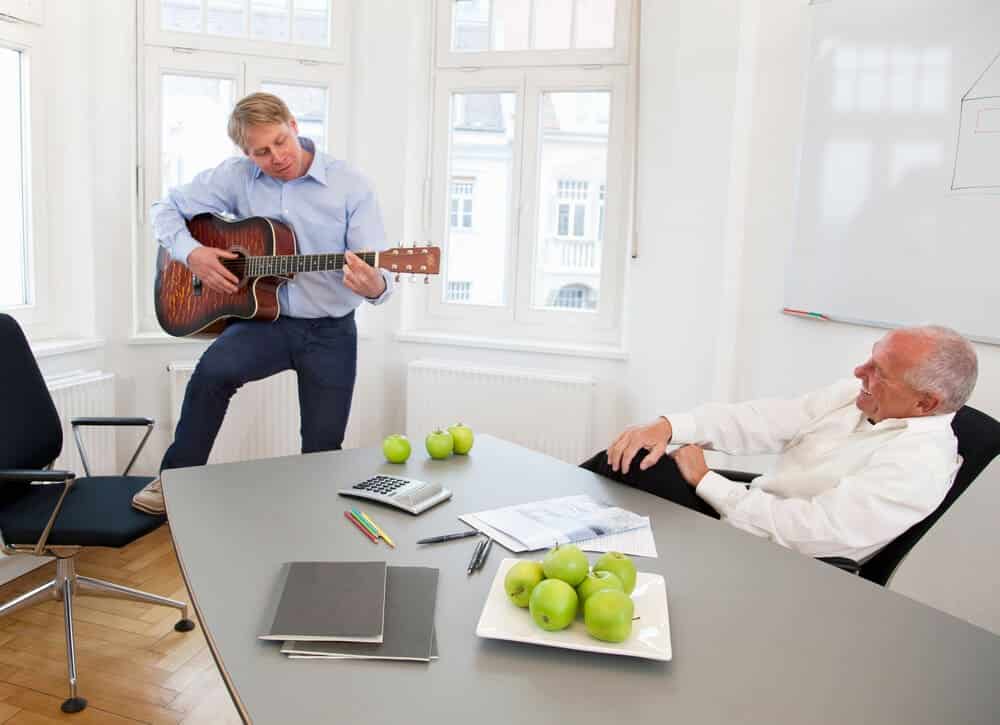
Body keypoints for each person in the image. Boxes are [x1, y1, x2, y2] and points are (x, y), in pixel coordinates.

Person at [132, 92, 393, 515]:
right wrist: (192, 253)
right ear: (244, 152)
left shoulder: (351, 185)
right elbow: (166, 208)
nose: (276, 157)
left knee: (324, 444)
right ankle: (174, 482)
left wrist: (373, 285)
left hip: (330, 330)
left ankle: (315, 517)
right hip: (264, 321)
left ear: (293, 125)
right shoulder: (235, 176)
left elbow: (379, 280)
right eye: (261, 152)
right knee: (211, 374)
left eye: (280, 142)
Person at [582, 326, 978, 562]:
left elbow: (809, 534)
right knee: (628, 457)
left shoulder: (919, 465)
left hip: (779, 557)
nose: (860, 372)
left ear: (924, 403)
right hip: (745, 514)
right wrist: (670, 427)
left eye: (879, 373)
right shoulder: (855, 397)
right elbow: (763, 419)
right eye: (869, 360)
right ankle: (532, 536)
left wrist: (707, 482)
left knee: (625, 490)